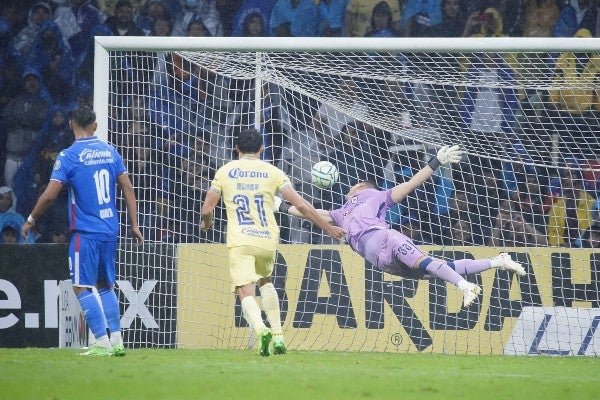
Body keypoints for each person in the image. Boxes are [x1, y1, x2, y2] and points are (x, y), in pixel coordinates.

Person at [278, 145, 526, 308]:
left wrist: (435, 162)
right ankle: (498, 261)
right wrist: (276, 203)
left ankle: (465, 286)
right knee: (437, 268)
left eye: (354, 186)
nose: (350, 189)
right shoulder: (341, 212)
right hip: (380, 261)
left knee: (427, 263)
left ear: (363, 187)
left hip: (384, 238)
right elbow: (306, 212)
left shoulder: (376, 195)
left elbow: (410, 184)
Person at [200, 128, 345, 356]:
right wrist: (328, 228)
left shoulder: (225, 172)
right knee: (265, 282)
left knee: (243, 289)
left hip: (240, 240)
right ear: (262, 149)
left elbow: (207, 208)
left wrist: (206, 225)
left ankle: (261, 330)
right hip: (267, 240)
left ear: (236, 148)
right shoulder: (273, 172)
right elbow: (304, 207)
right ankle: (278, 337)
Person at [21, 106, 144, 356]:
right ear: (96, 126)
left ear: (70, 125)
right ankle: (117, 341)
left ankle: (101, 342)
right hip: (111, 229)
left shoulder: (68, 156)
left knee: (80, 285)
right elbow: (128, 188)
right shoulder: (110, 151)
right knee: (105, 284)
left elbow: (50, 194)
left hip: (86, 231)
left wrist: (31, 218)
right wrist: (134, 224)